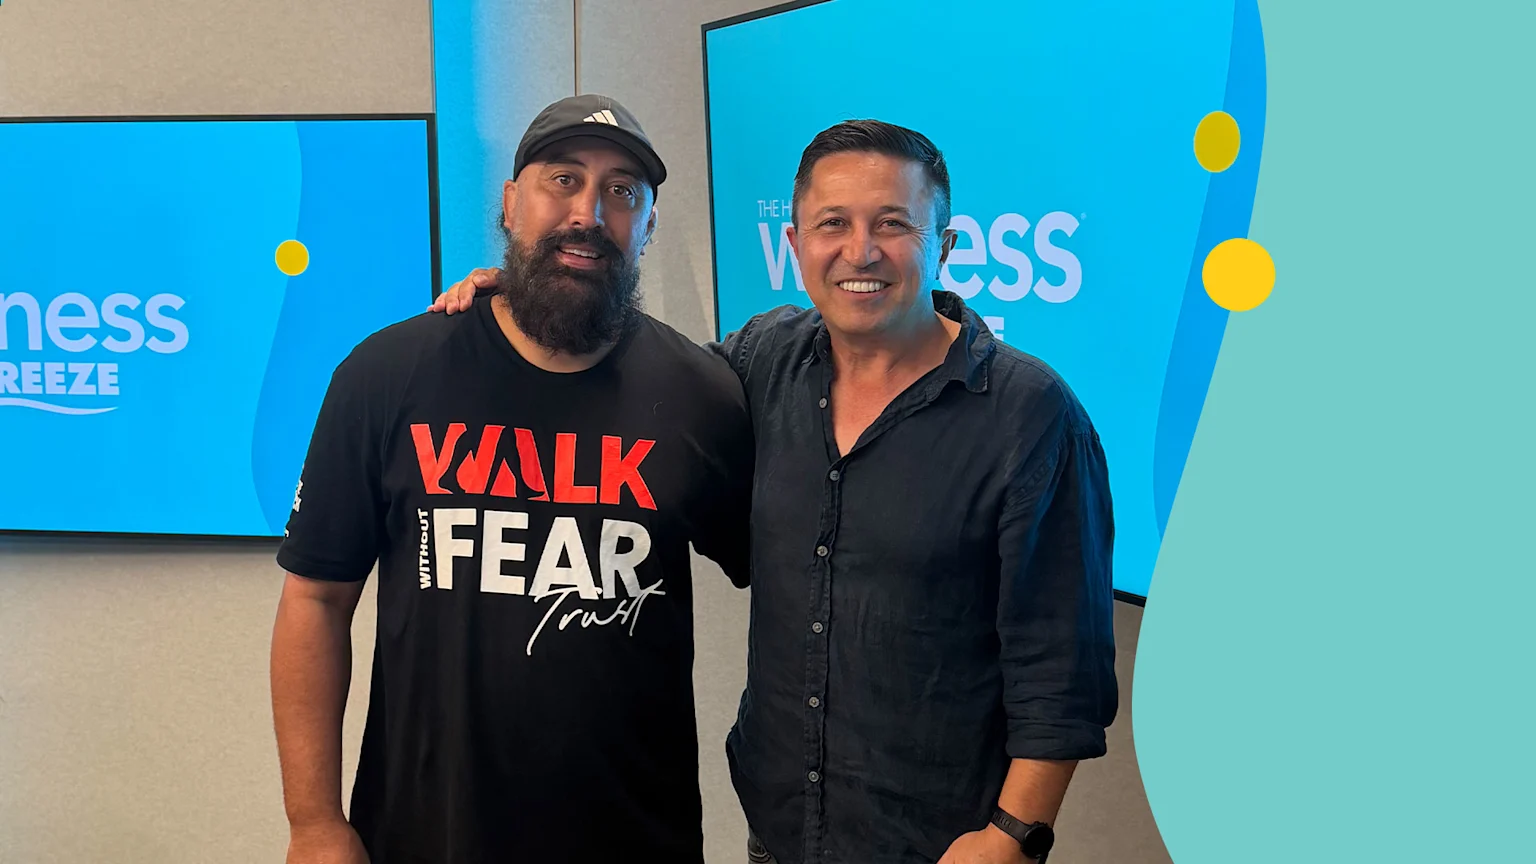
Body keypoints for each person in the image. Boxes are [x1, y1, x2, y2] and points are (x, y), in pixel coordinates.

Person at [434, 119, 1118, 864]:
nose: (861, 252)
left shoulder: (1031, 414)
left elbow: (1062, 668)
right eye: (834, 224)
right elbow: (636, 389)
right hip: (780, 832)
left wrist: (1015, 836)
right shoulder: (764, 360)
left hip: (944, 845)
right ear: (795, 247)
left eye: (894, 224)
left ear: (946, 248)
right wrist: (541, 292)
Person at [270, 94, 754, 864]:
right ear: (510, 203)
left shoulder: (704, 394)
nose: (588, 211)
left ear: (649, 224)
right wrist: (315, 821)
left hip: (634, 838)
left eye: (622, 192)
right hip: (421, 834)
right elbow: (315, 600)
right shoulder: (388, 374)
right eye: (562, 179)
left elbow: (800, 584)